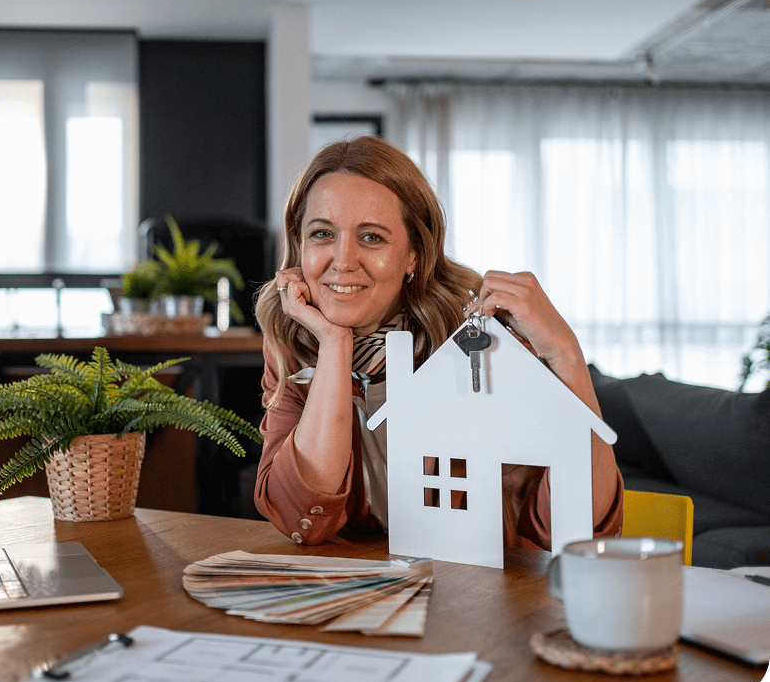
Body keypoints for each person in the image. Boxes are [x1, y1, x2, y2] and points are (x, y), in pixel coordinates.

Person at [253, 135, 623, 550]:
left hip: (489, 591)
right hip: (376, 585)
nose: (342, 260)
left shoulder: (477, 337)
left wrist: (567, 354)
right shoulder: (296, 339)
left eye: (372, 237)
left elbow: (578, 531)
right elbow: (300, 518)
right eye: (322, 233)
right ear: (299, 245)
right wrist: (335, 344)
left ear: (413, 255)